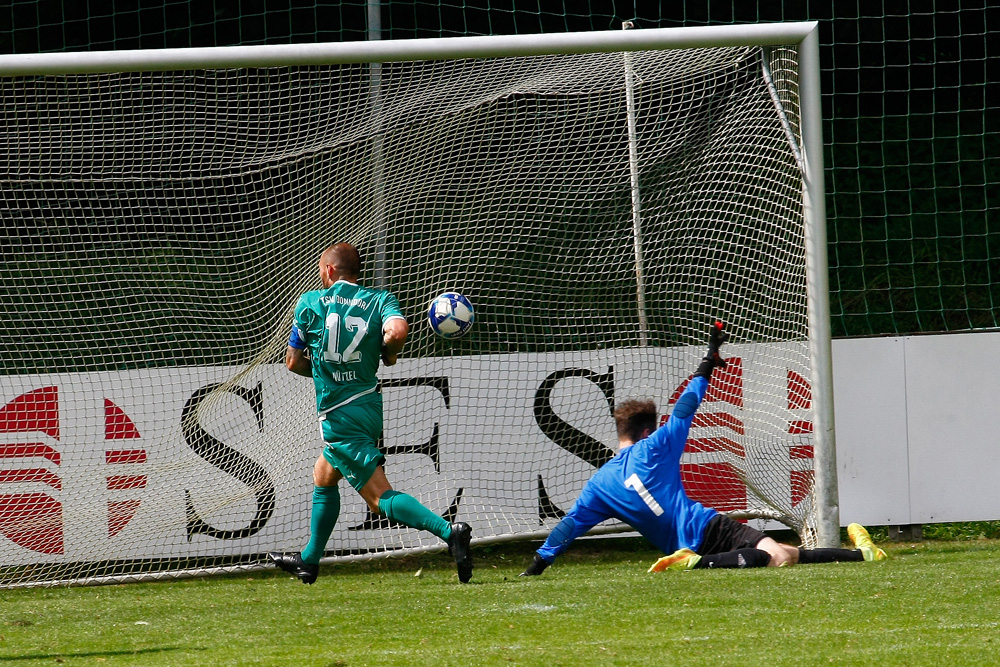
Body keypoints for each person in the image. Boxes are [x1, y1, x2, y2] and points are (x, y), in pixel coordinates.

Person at [521, 321, 886, 576]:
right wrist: (707, 362)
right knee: (774, 555)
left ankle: (863, 555)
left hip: (683, 541)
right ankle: (694, 563)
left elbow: (568, 526)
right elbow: (684, 409)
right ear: (648, 430)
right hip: (705, 528)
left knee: (786, 551)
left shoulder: (599, 486)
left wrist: (539, 563)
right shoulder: (654, 447)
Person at [268, 243, 473, 584]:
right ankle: (308, 561)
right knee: (324, 474)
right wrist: (389, 355)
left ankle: (449, 531)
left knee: (379, 499)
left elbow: (292, 361)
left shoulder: (309, 303)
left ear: (330, 271)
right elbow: (397, 332)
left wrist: (323, 370)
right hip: (368, 405)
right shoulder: (380, 300)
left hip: (339, 414)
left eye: (322, 267)